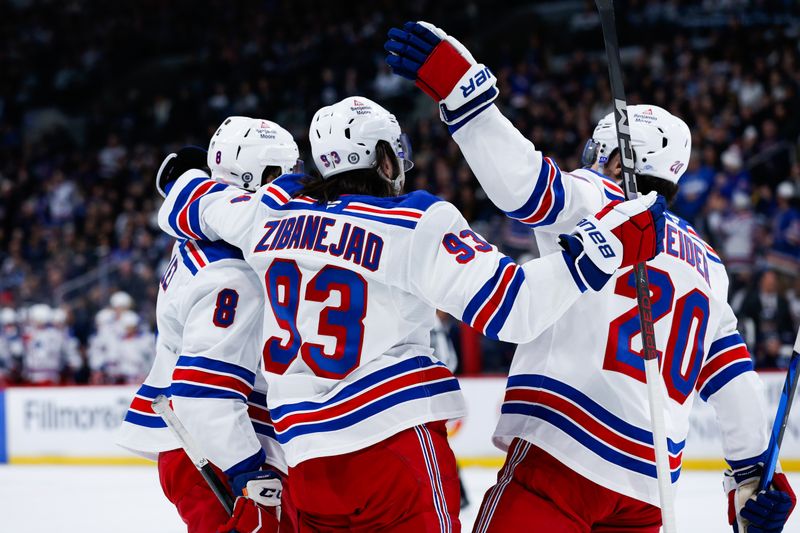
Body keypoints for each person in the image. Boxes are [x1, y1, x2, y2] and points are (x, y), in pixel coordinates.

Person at [156, 95, 666, 531]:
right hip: (394, 448)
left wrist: (185, 175)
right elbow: (515, 308)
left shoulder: (266, 214)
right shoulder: (415, 219)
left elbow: (195, 205)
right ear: (383, 158)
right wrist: (605, 249)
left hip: (308, 466)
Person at [384, 21, 796, 532]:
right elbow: (733, 380)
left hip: (563, 454)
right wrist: (755, 475)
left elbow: (520, 183)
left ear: (620, 156)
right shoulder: (709, 265)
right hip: (649, 487)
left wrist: (463, 94)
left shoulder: (597, 198)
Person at [117, 116, 301, 533]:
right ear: (255, 178)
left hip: (196, 439)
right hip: (213, 447)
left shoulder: (205, 230)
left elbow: (203, 195)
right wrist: (249, 473)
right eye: (281, 173)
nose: (292, 183)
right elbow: (206, 393)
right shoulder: (236, 275)